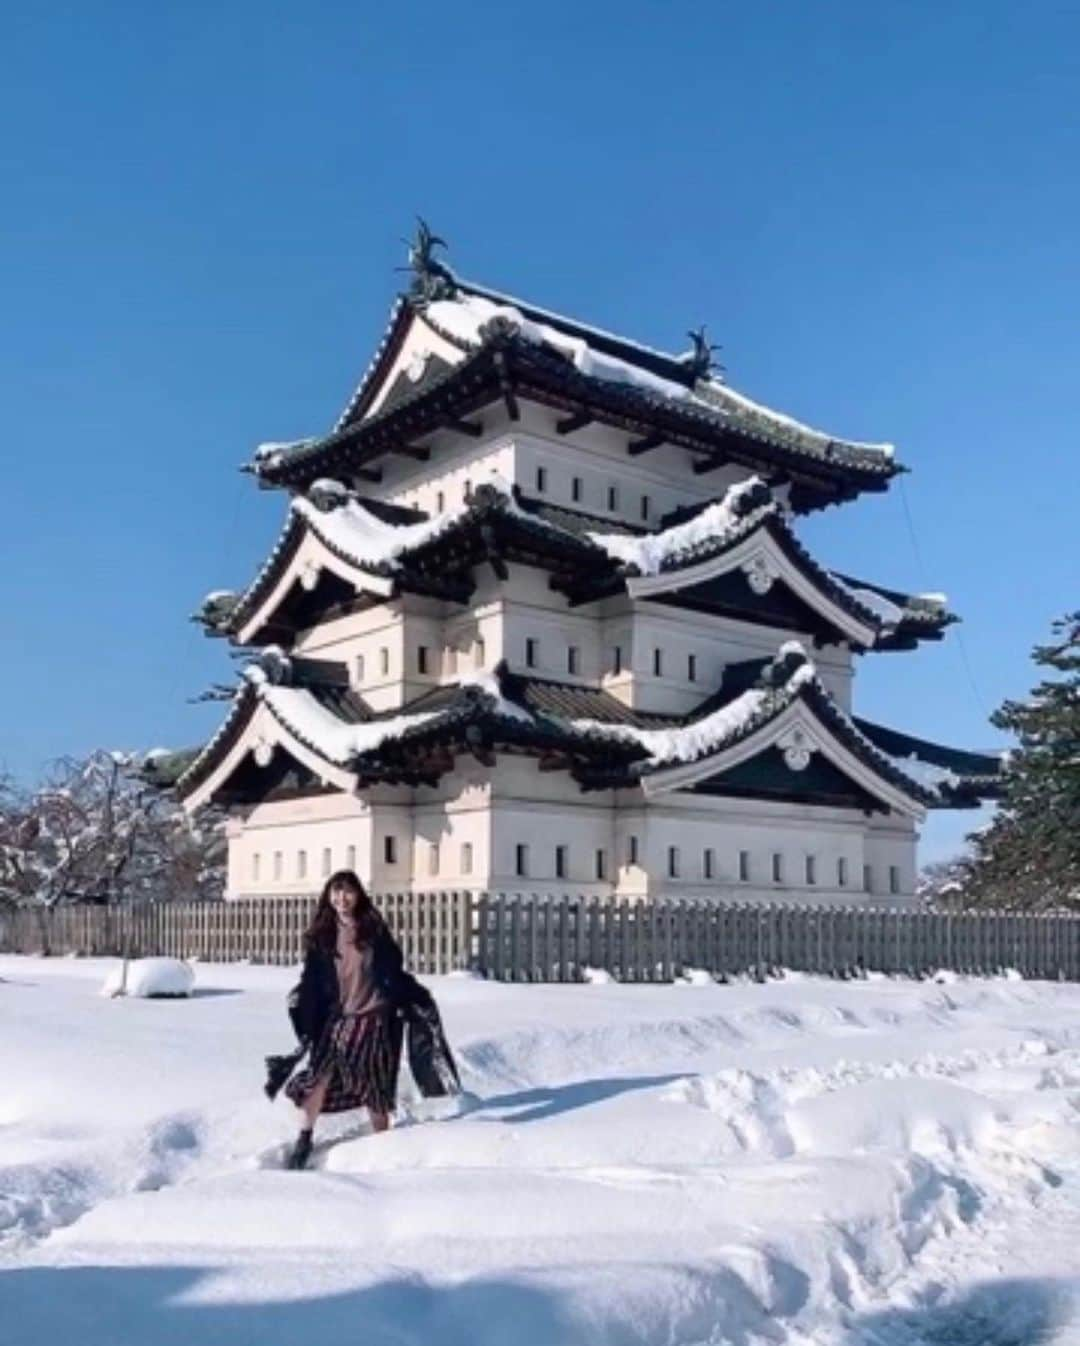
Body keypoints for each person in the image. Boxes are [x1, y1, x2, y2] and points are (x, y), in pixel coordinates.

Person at [272, 870, 459, 1171]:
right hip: (338, 1020)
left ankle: (383, 1144)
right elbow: (312, 979)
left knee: (375, 1084)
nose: (341, 898)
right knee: (317, 1076)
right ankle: (303, 1140)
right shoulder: (321, 934)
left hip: (375, 1018)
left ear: (358, 895)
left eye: (347, 892)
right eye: (336, 891)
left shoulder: (373, 929)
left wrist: (413, 995)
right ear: (328, 895)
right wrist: (306, 1008)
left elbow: (393, 969)